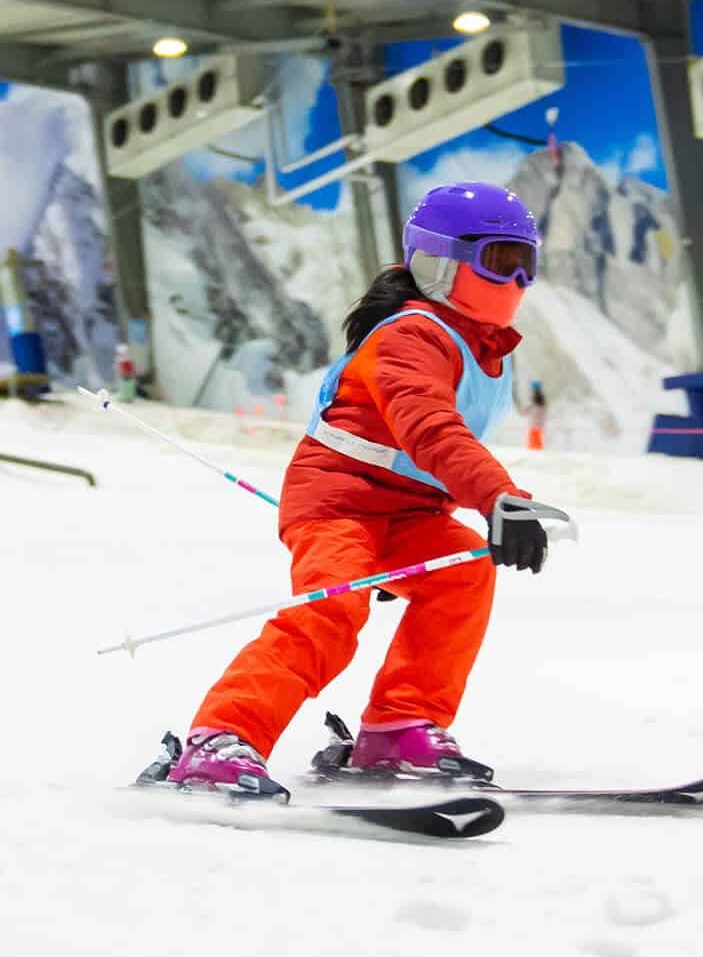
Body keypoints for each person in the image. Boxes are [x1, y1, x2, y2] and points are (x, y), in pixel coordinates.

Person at [167, 181, 553, 797]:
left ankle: (400, 724)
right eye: (497, 261)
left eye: (525, 264)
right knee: (330, 612)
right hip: (337, 503)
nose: (513, 282)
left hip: (405, 513)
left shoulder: (484, 348)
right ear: (439, 262)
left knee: (461, 577)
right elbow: (430, 427)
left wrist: (494, 500)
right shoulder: (411, 336)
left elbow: (435, 447)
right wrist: (499, 498)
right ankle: (220, 738)